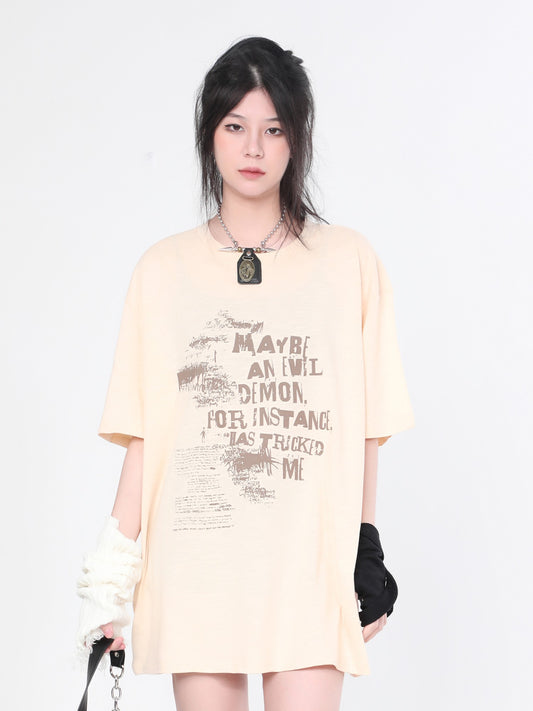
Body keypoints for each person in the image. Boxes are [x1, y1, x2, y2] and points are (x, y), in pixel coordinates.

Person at [76, 36, 415, 711]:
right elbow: (149, 435)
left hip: (308, 569)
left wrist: (365, 545)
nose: (253, 148)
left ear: (297, 139)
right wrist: (108, 579)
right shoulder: (162, 270)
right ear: (210, 135)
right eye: (235, 127)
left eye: (273, 129)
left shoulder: (348, 263)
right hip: (197, 568)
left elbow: (366, 424)